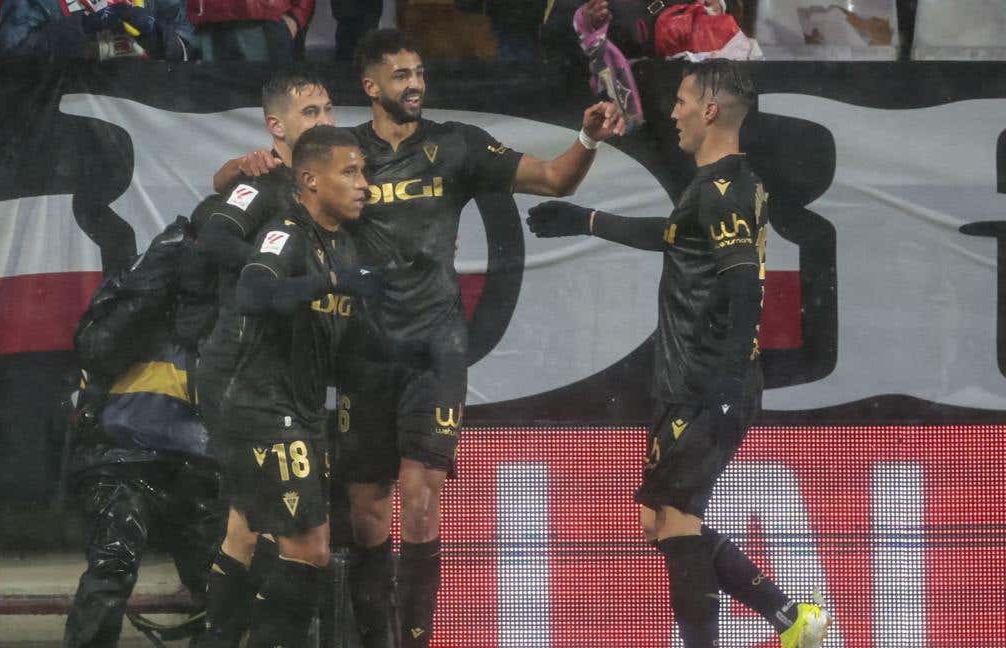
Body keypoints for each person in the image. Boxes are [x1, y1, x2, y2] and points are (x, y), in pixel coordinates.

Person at [215, 27, 625, 648]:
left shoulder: (456, 146)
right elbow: (248, 187)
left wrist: (588, 137)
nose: (416, 85)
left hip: (435, 346)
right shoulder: (341, 154)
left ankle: (417, 640)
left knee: (421, 495)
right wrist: (236, 167)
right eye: (401, 75)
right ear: (371, 85)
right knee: (368, 513)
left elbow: (553, 179)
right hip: (363, 351)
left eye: (420, 73)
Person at [525, 59, 831, 648]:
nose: (673, 113)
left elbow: (744, 286)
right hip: (689, 383)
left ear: (711, 110)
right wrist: (585, 220)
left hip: (706, 383)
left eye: (683, 102)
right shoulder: (718, 186)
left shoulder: (725, 190)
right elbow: (672, 236)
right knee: (656, 520)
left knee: (675, 522)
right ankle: (788, 615)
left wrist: (722, 387)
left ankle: (751, 629)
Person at [189, 69, 336, 648]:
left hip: (285, 378)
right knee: (301, 543)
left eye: (328, 110)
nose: (324, 122)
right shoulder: (261, 182)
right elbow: (215, 233)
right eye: (310, 114)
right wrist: (272, 264)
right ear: (276, 127)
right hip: (246, 378)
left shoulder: (321, 187)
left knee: (246, 530)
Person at [220, 124, 380, 648]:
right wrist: (329, 283)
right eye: (350, 172)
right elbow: (252, 291)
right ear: (310, 179)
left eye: (365, 172)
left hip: (303, 413)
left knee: (254, 539)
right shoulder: (286, 232)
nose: (364, 185)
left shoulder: (345, 248)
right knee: (309, 549)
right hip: (266, 409)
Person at [64, 216, 225, 648]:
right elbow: (97, 349)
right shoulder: (145, 287)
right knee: (113, 568)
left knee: (226, 585)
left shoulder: (228, 296)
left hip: (188, 462)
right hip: (124, 457)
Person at [0, 0, 196, 61]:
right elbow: (9, 55)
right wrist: (82, 28)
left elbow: (185, 38)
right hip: (63, 122)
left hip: (143, 115)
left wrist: (157, 37)